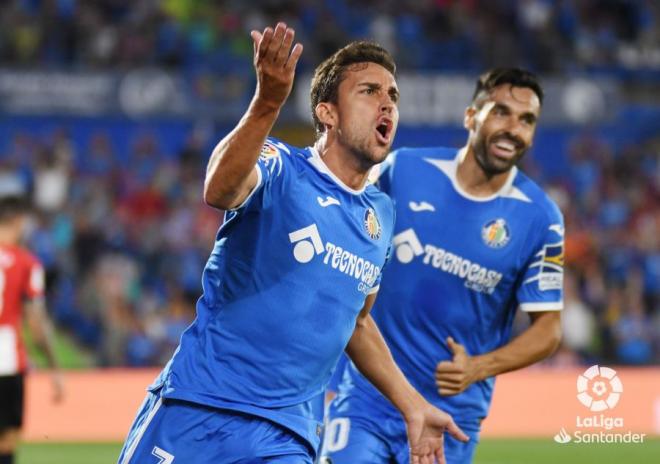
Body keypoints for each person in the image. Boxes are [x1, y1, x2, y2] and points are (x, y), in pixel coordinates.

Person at [118, 22, 466, 464]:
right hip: (200, 408)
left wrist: (412, 404)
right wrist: (266, 103)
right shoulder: (280, 165)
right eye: (369, 91)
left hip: (287, 438)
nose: (387, 103)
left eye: (393, 95)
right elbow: (218, 190)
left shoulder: (380, 213)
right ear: (328, 113)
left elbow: (356, 321)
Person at [322, 68, 564, 464]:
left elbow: (549, 329)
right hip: (370, 397)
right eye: (501, 112)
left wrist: (479, 367)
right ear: (471, 116)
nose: (513, 129)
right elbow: (345, 230)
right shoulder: (403, 170)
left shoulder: (542, 218)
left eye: (527, 120)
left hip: (451, 419)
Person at [0, 196, 64, 464]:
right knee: (6, 439)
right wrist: (54, 368)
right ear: (18, 221)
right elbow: (36, 325)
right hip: (6, 359)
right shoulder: (27, 263)